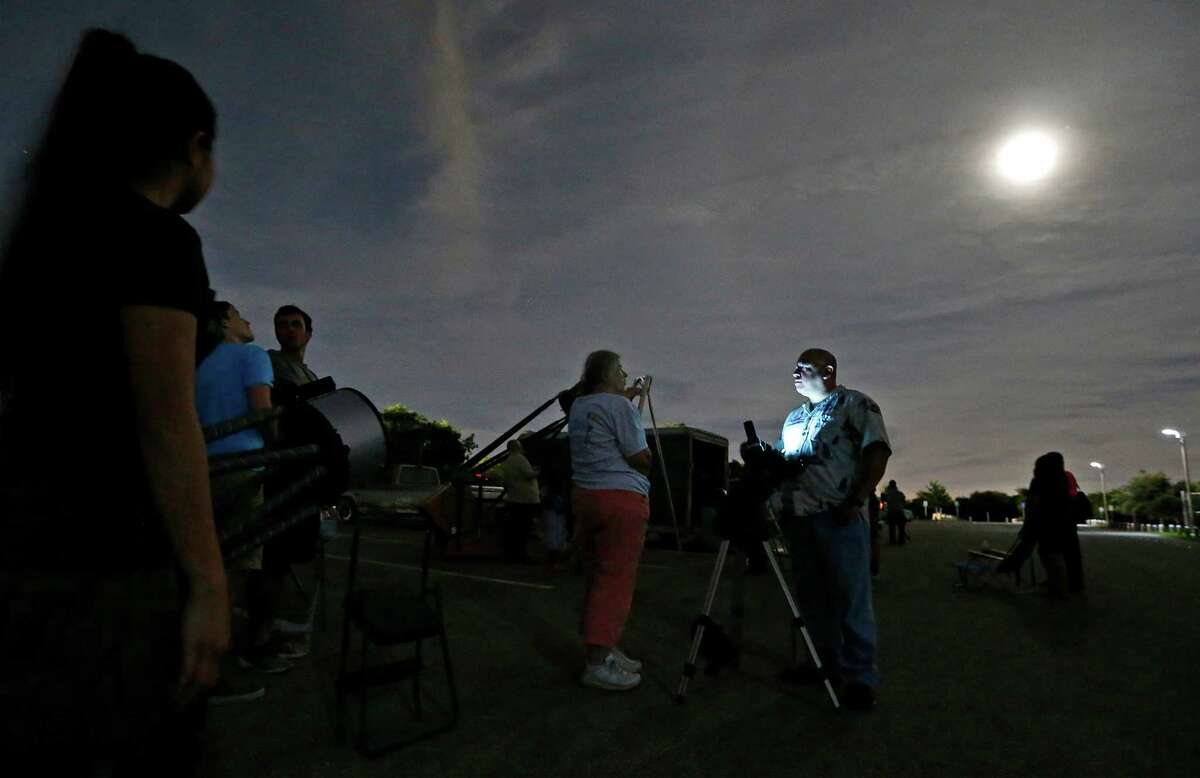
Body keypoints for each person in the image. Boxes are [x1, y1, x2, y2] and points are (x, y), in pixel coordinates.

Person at [0, 29, 226, 772]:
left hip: (28, 551)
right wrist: (208, 582)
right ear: (195, 146)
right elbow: (166, 424)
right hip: (113, 570)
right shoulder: (160, 240)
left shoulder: (45, 239)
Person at [771, 348, 890, 711]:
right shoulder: (793, 418)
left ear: (828, 371)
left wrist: (856, 499)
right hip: (800, 519)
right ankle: (820, 662)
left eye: (803, 367)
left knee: (850, 597)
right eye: (795, 366)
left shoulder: (856, 405)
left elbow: (877, 451)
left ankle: (860, 678)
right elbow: (783, 461)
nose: (795, 372)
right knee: (811, 598)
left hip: (839, 516)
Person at [195, 301, 290, 692]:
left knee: (205, 565)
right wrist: (278, 448)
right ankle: (212, 671)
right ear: (223, 324)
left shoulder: (198, 364)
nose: (247, 319)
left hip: (204, 471)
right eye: (238, 314)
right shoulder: (251, 355)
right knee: (234, 571)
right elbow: (261, 412)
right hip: (242, 473)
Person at [567, 351, 651, 691]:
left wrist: (629, 398)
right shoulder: (619, 408)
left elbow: (606, 426)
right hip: (621, 498)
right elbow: (638, 455)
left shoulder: (580, 406)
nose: (625, 374)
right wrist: (650, 460)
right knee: (615, 581)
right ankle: (598, 663)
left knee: (597, 577)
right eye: (620, 370)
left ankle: (605, 646)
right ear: (607, 373)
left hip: (587, 496)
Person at [499, 436, 540, 563]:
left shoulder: (507, 462)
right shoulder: (520, 459)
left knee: (515, 528)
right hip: (526, 499)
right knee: (524, 528)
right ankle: (523, 555)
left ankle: (513, 554)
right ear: (519, 448)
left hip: (514, 498)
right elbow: (528, 475)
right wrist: (537, 471)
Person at [268, 304, 318, 395]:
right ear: (276, 333)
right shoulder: (268, 360)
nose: (290, 329)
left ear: (308, 334)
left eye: (296, 324)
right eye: (283, 325)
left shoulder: (312, 376)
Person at [883, 480, 908, 545]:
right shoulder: (900, 493)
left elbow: (884, 501)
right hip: (899, 512)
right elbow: (904, 501)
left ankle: (892, 541)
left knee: (892, 528)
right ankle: (901, 541)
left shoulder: (887, 494)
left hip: (891, 512)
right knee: (901, 528)